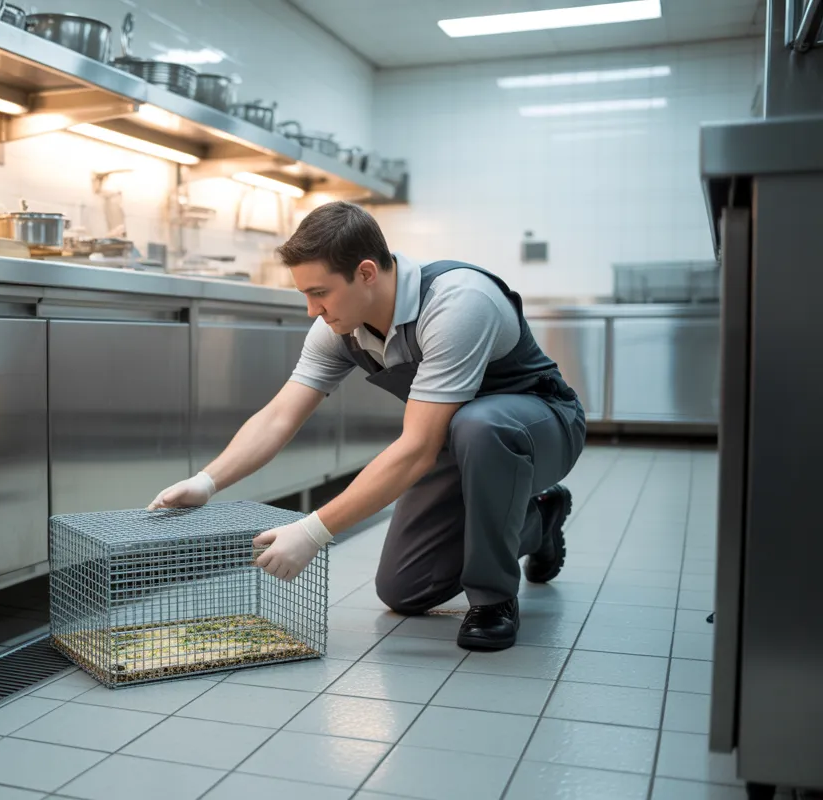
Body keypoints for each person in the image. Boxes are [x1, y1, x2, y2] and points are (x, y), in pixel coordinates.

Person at [147, 201, 587, 651]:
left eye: (320, 292)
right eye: (304, 294)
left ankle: (494, 599)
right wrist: (207, 480)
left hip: (540, 426)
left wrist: (312, 530)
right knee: (405, 590)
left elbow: (417, 448)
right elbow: (280, 414)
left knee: (479, 424)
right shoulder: (338, 327)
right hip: (454, 442)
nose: (310, 309)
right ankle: (539, 520)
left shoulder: (457, 303)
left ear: (366, 273)